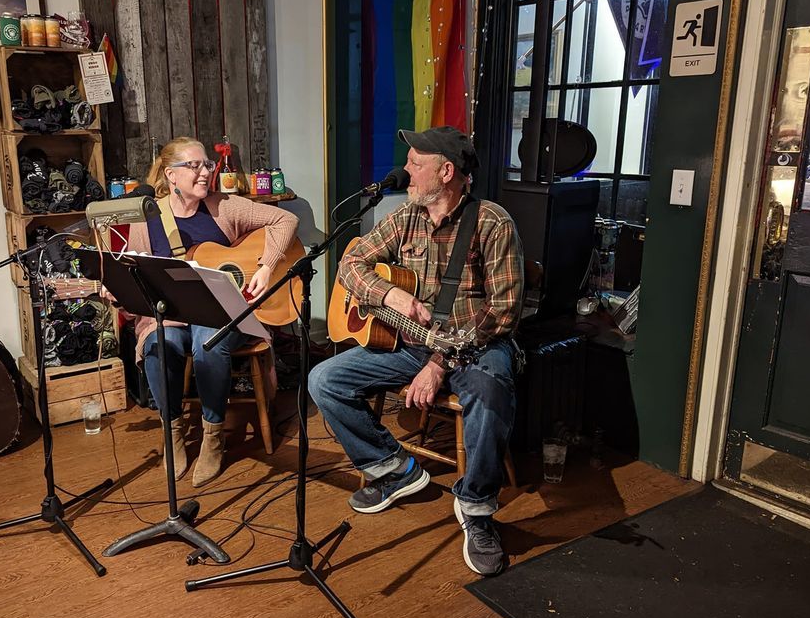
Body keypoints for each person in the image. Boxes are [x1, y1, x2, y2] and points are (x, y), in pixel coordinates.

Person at [308, 126, 524, 576]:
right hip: (410, 343)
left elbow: (503, 312)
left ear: (446, 172)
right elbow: (351, 264)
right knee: (323, 379)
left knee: (490, 391)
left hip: (471, 346)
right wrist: (391, 296)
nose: (405, 170)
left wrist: (437, 366)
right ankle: (393, 469)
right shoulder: (405, 215)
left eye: (415, 163)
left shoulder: (491, 222)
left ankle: (477, 507)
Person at [126, 137, 298, 486]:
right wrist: (117, 292)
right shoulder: (146, 219)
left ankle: (213, 435)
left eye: (207, 164)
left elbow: (285, 220)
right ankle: (172, 433)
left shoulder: (225, 207)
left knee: (208, 339)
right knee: (161, 343)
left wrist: (265, 266)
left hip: (223, 312)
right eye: (196, 166)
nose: (206, 172)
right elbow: (135, 276)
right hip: (170, 313)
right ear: (171, 175)